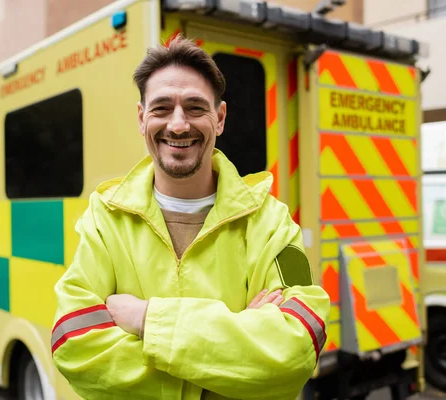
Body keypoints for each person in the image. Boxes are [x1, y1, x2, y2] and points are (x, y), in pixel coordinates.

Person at [51, 36, 330, 400]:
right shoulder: (104, 219)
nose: (178, 125)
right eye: (162, 108)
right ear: (141, 118)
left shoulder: (272, 222)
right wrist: (230, 362)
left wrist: (146, 320)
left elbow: (299, 345)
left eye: (195, 108)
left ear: (221, 118)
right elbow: (72, 344)